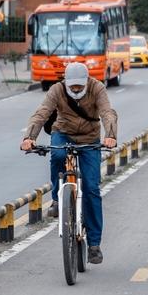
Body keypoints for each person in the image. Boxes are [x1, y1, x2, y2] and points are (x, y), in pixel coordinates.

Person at [20, 63, 117, 265]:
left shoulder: (96, 87)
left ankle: (94, 245)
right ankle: (57, 199)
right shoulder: (57, 90)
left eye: (79, 86)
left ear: (86, 81)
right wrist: (29, 137)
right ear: (66, 82)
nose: (75, 90)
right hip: (62, 133)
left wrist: (110, 135)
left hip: (90, 137)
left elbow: (107, 112)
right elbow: (42, 113)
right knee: (57, 156)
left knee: (91, 188)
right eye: (72, 86)